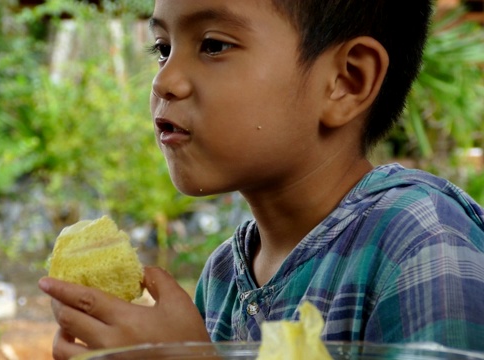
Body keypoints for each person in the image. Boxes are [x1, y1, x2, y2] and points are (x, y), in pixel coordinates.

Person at [38, 0, 484, 358]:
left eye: (212, 45)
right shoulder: (222, 278)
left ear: (347, 81)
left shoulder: (422, 241)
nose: (165, 81)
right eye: (162, 48)